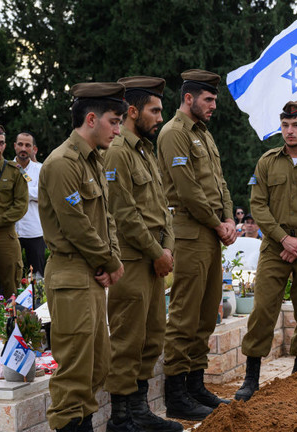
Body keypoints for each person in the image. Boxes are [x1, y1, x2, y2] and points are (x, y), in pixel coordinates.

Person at [235, 101, 297, 401]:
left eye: (295, 125)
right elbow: (259, 206)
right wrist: (284, 239)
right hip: (275, 247)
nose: (289, 131)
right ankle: (251, 378)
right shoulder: (267, 162)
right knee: (263, 309)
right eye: (285, 125)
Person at [39, 82, 126, 432]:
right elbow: (77, 227)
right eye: (114, 121)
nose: (118, 130)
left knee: (96, 365)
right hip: (71, 275)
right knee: (74, 370)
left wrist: (111, 260)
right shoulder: (62, 164)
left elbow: (107, 220)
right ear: (91, 118)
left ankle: (85, 425)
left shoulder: (94, 161)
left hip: (90, 274)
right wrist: (111, 263)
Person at [102, 76, 182, 432]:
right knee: (127, 339)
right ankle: (121, 418)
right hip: (134, 260)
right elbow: (124, 213)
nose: (160, 118)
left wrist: (167, 248)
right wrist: (156, 251)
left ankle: (139, 409)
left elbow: (161, 208)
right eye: (155, 110)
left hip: (154, 259)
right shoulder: (119, 151)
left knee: (151, 337)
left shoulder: (144, 151)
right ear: (132, 111)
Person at [159, 69, 236, 420]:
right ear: (189, 98)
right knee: (185, 316)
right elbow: (187, 189)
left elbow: (218, 182)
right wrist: (218, 223)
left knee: (206, 314)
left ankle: (195, 384)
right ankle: (176, 394)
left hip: (209, 233)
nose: (213, 106)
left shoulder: (203, 134)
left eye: (214, 99)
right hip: (189, 232)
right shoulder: (174, 133)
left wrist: (230, 218)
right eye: (208, 99)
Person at [0, 124, 29, 299]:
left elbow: (21, 206)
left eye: (1, 143)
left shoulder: (14, 171)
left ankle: (13, 323)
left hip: (4, 233)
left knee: (11, 281)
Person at [13, 132, 46, 277]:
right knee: (11, 274)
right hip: (12, 230)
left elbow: (44, 194)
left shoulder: (41, 170)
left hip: (35, 231)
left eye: (27, 145)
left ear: (34, 149)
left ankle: (38, 301)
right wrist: (32, 193)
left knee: (38, 276)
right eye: (20, 144)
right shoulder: (7, 168)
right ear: (15, 146)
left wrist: (17, 191)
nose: (23, 148)